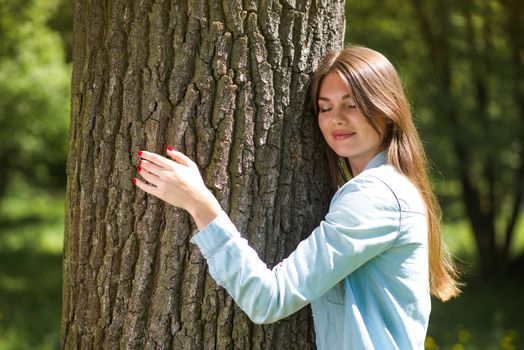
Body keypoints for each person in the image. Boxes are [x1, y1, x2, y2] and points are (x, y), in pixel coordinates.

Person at [132, 45, 460, 349]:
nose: (336, 118)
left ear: (386, 109)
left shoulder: (377, 195)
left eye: (352, 104)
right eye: (324, 107)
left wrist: (199, 203)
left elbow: (268, 299)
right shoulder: (392, 187)